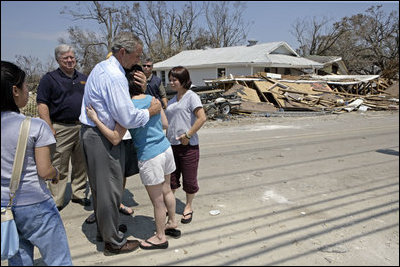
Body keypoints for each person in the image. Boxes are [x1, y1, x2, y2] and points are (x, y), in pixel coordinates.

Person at [79, 31, 162, 255]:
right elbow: (127, 118)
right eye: (137, 56)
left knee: (101, 189)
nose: (139, 62)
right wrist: (150, 110)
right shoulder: (114, 76)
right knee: (109, 190)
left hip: (95, 132)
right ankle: (113, 242)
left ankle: (106, 230)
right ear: (123, 52)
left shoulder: (102, 67)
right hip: (102, 137)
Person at [85, 69, 181, 250]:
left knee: (157, 200)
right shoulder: (154, 100)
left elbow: (115, 138)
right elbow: (165, 125)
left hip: (150, 155)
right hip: (166, 149)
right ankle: (172, 222)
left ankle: (160, 237)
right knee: (167, 190)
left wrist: (95, 119)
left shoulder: (127, 109)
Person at [1, 61, 72, 266]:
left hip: (5, 207)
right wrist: (56, 173)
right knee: (58, 259)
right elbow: (45, 171)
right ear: (14, 90)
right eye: (25, 87)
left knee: (19, 258)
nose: (27, 91)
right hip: (35, 204)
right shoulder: (34, 126)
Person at [36, 44, 90, 211]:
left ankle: (79, 193)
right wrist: (49, 127)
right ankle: (56, 199)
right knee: (59, 164)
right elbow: (42, 104)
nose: (69, 60)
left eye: (72, 57)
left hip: (82, 126)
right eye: (65, 57)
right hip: (60, 127)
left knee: (81, 163)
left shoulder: (83, 78)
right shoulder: (49, 79)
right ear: (58, 59)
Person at [165, 66, 207, 224]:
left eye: (174, 79)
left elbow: (202, 118)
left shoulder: (191, 97)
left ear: (183, 80)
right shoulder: (171, 100)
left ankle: (188, 206)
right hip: (171, 145)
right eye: (170, 79)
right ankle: (170, 206)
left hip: (188, 146)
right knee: (172, 180)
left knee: (189, 180)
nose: (171, 82)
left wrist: (188, 135)